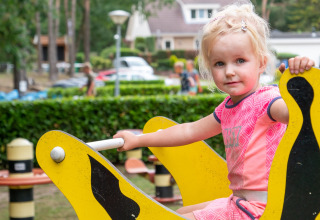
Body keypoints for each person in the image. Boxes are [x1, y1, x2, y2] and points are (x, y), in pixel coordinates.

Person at [114, 3, 314, 220]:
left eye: (240, 61)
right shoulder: (227, 109)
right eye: (219, 63)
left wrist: (301, 80)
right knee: (176, 212)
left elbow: (302, 114)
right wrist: (138, 140)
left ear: (261, 63)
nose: (229, 71)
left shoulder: (267, 102)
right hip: (240, 201)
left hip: (263, 208)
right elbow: (188, 132)